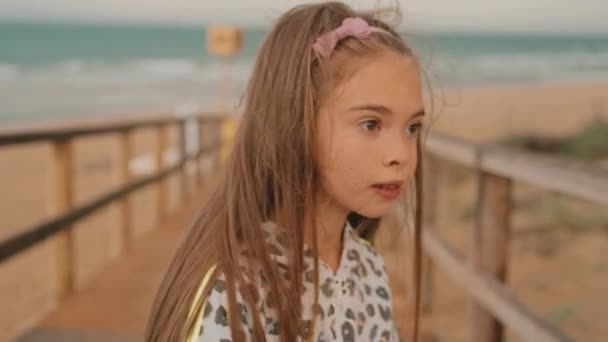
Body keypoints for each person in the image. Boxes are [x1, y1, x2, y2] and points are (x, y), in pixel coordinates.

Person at [146, 1, 426, 341]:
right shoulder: (238, 286)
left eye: (412, 128)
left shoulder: (368, 267)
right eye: (371, 124)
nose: (402, 154)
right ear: (296, 123)